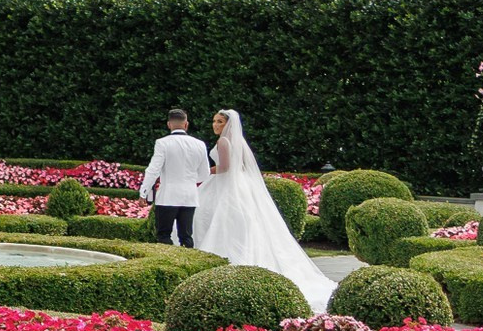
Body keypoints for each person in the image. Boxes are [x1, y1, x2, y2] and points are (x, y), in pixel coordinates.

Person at [193, 108, 337, 313]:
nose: (215, 125)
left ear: (228, 124)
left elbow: (224, 168)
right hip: (241, 185)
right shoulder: (239, 142)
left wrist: (202, 172)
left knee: (216, 221)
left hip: (225, 185)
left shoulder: (223, 142)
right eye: (214, 121)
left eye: (220, 122)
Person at [137, 108, 208, 248]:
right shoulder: (200, 144)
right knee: (186, 236)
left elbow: (153, 170)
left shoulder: (162, 143)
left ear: (169, 124)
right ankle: (188, 260)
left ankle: (166, 259)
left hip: (168, 195)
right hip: (190, 195)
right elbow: (204, 173)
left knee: (163, 235)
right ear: (186, 124)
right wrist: (189, 180)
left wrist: (143, 192)